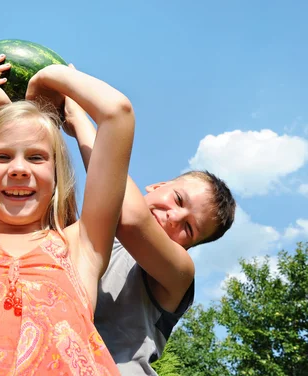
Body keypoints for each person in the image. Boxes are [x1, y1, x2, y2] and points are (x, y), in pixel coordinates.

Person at [0, 63, 135, 374]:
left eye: (36, 157)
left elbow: (118, 112)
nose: (19, 169)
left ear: (56, 174)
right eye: (2, 156)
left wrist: (52, 76)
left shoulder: (80, 247)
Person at [63, 92, 236, 375]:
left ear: (188, 248)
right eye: (179, 200)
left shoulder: (178, 273)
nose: (174, 217)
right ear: (157, 186)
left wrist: (78, 120)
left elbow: (129, 219)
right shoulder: (76, 233)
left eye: (189, 229)